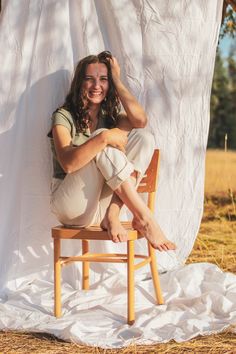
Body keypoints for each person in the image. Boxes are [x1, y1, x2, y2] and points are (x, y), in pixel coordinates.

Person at [48, 51, 176, 252]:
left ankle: (113, 214)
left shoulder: (111, 117)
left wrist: (116, 78)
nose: (96, 85)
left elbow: (140, 121)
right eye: (89, 79)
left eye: (104, 80)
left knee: (144, 138)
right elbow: (68, 164)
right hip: (71, 207)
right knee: (101, 138)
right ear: (79, 83)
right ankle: (145, 217)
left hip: (101, 206)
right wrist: (103, 137)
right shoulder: (63, 116)